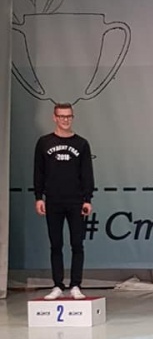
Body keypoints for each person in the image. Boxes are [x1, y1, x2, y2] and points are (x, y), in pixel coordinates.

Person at [34, 103, 95, 300]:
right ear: (55, 118)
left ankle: (76, 284)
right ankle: (57, 285)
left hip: (76, 201)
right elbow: (39, 172)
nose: (65, 120)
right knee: (56, 244)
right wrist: (38, 197)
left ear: (72, 117)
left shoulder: (81, 144)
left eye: (68, 116)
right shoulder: (44, 143)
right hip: (53, 200)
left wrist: (87, 199)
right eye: (61, 116)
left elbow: (87, 173)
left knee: (77, 244)